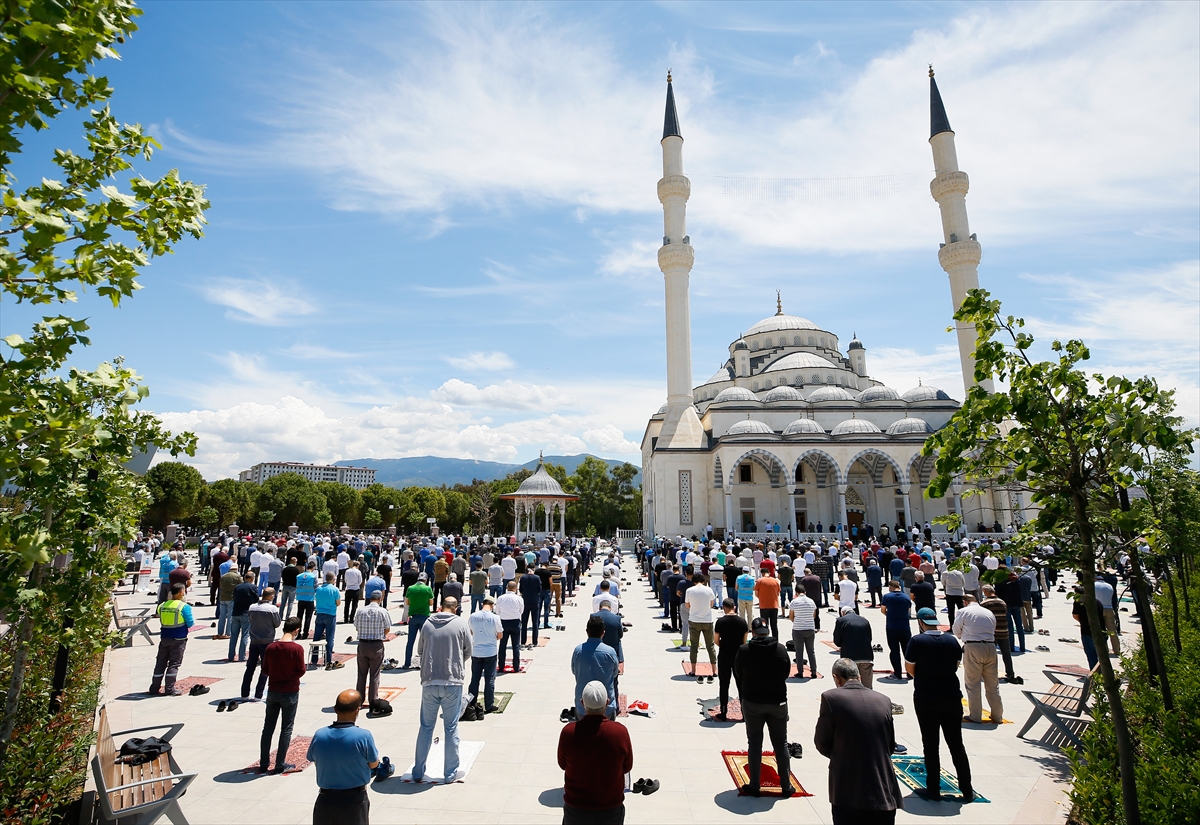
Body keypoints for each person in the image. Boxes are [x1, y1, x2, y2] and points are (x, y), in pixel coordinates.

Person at [814, 657, 903, 825]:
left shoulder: (831, 698)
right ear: (859, 677)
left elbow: (822, 743)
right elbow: (890, 745)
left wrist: (842, 755)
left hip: (848, 789)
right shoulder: (884, 700)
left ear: (836, 678)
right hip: (883, 789)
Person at [905, 607, 974, 803]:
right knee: (956, 744)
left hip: (926, 697)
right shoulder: (952, 640)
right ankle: (967, 789)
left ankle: (933, 789)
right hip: (951, 696)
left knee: (931, 744)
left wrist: (927, 676)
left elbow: (910, 668)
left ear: (920, 622)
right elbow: (955, 665)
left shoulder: (917, 641)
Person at [412, 597, 472, 783]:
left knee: (426, 728)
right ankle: (450, 773)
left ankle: (418, 771)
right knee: (451, 727)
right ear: (456, 608)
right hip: (452, 682)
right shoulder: (461, 624)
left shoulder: (428, 623)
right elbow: (468, 650)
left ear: (441, 606)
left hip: (430, 681)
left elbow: (420, 650)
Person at [558, 680, 634, 825]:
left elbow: (562, 764)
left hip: (576, 810)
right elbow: (627, 767)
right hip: (610, 809)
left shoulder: (568, 732)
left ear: (582, 703)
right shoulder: (619, 732)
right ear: (607, 702)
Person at [733, 618, 794, 797]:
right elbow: (785, 673)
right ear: (767, 631)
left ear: (753, 632)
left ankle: (754, 785)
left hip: (752, 702)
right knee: (780, 744)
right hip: (777, 702)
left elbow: (738, 673)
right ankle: (786, 786)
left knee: (754, 743)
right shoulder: (781, 649)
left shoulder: (744, 650)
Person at [307, 690, 379, 825]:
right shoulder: (364, 736)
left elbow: (315, 760)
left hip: (325, 800)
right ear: (357, 710)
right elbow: (373, 764)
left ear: (335, 709)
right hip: (355, 801)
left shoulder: (319, 735)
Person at [260, 616, 306, 773]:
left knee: (268, 727)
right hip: (290, 691)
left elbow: (265, 669)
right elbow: (301, 670)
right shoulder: (297, 649)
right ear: (296, 630)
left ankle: (264, 762)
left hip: (273, 690)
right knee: (286, 728)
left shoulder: (271, 647)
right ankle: (280, 763)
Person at [951, 593, 1003, 724]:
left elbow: (956, 630)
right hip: (990, 647)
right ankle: (997, 715)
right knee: (992, 685)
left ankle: (975, 715)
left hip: (973, 646)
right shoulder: (988, 613)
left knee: (973, 683)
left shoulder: (963, 611)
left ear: (965, 602)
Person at [148, 583, 193, 695]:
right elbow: (190, 623)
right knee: (174, 663)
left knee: (160, 663)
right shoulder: (184, 607)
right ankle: (170, 688)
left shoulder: (162, 606)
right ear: (181, 592)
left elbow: (161, 616)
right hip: (179, 638)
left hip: (164, 638)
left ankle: (154, 687)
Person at [571, 616, 619, 719]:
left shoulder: (578, 651)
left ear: (587, 631)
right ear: (603, 633)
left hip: (582, 708)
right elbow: (615, 673)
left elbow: (574, 671)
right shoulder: (610, 652)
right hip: (607, 708)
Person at [354, 590, 391, 708]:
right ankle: (373, 700)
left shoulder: (361, 610)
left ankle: (359, 699)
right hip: (376, 645)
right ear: (380, 599)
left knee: (361, 673)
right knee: (375, 674)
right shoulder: (383, 611)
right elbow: (387, 628)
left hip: (363, 644)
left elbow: (357, 627)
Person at [243, 588, 281, 699]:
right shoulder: (272, 609)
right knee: (265, 668)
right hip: (267, 641)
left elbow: (250, 619)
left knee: (250, 667)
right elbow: (277, 623)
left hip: (254, 640)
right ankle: (258, 694)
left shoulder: (252, 607)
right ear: (271, 596)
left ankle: (244, 693)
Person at [713, 598, 748, 720]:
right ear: (734, 607)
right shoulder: (742, 622)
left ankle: (723, 712)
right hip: (738, 656)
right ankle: (744, 713)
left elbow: (716, 640)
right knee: (741, 684)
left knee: (724, 684)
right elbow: (744, 641)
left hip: (724, 655)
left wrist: (724, 645)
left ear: (724, 607)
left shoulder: (720, 622)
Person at [468, 595, 503, 712]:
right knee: (490, 680)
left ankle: (471, 703)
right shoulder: (495, 618)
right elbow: (500, 635)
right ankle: (489, 705)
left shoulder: (473, 616)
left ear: (483, 604)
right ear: (492, 606)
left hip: (476, 651)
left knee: (474, 679)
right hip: (490, 652)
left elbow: (471, 631)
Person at [980, 584, 1018, 683]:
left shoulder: (985, 604)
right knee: (1006, 654)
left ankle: (990, 673)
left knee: (990, 655)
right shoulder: (1002, 602)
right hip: (1004, 631)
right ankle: (1010, 672)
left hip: (992, 633)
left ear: (985, 592)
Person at [685, 573, 717, 684]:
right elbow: (712, 604)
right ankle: (714, 670)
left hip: (694, 620)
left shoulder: (689, 590)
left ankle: (693, 670)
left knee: (694, 645)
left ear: (693, 581)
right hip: (707, 620)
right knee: (710, 645)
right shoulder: (709, 590)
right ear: (703, 580)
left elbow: (687, 605)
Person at [832, 605, 874, 688]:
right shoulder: (865, 620)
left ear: (842, 613)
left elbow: (837, 641)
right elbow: (870, 638)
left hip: (849, 658)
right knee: (867, 686)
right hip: (866, 656)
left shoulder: (841, 620)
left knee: (849, 686)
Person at [879, 581, 912, 680]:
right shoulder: (906, 597)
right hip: (905, 627)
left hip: (892, 626)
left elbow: (883, 610)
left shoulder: (887, 597)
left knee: (894, 651)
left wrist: (890, 615)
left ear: (890, 587)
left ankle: (897, 673)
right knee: (907, 651)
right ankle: (910, 673)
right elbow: (908, 611)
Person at [401, 573, 434, 670]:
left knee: (410, 641)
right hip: (424, 617)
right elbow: (431, 603)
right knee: (426, 641)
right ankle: (426, 663)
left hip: (413, 617)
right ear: (425, 580)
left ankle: (407, 663)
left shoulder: (410, 588)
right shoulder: (428, 589)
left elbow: (407, 602)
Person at [313, 573, 344, 671]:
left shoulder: (319, 589)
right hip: (330, 615)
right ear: (334, 579)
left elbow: (316, 599)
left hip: (320, 614)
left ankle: (314, 658)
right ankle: (328, 660)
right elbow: (338, 603)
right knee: (329, 638)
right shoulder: (334, 589)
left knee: (316, 637)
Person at [787, 584, 819, 679]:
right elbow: (814, 615)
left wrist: (797, 621)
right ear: (805, 592)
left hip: (798, 629)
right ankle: (813, 672)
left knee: (799, 651)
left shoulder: (794, 602)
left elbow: (791, 616)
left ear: (796, 592)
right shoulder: (811, 601)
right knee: (811, 651)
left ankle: (800, 672)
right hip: (810, 628)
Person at [495, 580, 524, 674]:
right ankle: (516, 667)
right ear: (516, 589)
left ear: (507, 587)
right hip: (515, 622)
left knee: (502, 645)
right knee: (516, 646)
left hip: (504, 623)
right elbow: (521, 611)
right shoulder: (519, 598)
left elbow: (497, 611)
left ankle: (501, 666)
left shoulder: (501, 598)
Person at [229, 571, 258, 662]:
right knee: (245, 635)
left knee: (234, 636)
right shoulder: (253, 587)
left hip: (235, 612)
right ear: (252, 578)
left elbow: (233, 597)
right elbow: (256, 600)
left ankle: (231, 655)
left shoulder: (237, 587)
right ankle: (242, 656)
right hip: (246, 613)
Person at [519, 564, 542, 649]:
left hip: (525, 601)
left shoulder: (523, 578)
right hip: (535, 601)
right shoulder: (537, 578)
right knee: (535, 622)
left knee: (524, 622)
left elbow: (521, 589)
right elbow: (539, 589)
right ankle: (535, 641)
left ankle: (523, 641)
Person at [216, 564, 242, 640]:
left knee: (222, 616)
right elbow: (241, 586)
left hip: (223, 598)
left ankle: (220, 632)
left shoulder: (223, 576)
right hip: (231, 598)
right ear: (236, 569)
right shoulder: (237, 577)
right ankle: (228, 632)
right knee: (230, 616)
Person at [754, 569, 781, 640]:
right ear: (769, 573)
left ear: (762, 574)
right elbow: (778, 593)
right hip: (774, 606)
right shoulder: (775, 581)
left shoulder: (759, 581)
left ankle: (765, 640)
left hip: (764, 606)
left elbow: (756, 593)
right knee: (774, 625)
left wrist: (762, 598)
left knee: (764, 625)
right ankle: (776, 640)